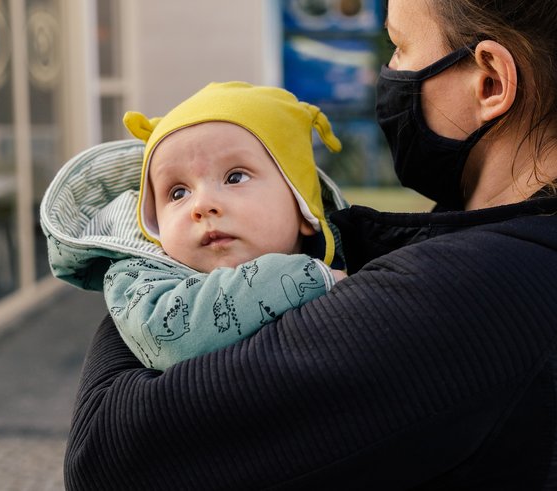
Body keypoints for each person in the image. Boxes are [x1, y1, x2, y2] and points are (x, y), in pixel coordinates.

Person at [61, 0, 557, 489]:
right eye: (176, 193)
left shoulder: (478, 289)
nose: (389, 71)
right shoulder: (477, 228)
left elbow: (106, 454)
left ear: (489, 81)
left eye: (399, 46)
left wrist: (141, 261)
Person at [41, 81, 347, 371]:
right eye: (178, 193)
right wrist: (308, 277)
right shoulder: (139, 279)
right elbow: (167, 335)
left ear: (303, 209)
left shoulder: (360, 257)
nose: (201, 206)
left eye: (235, 177)